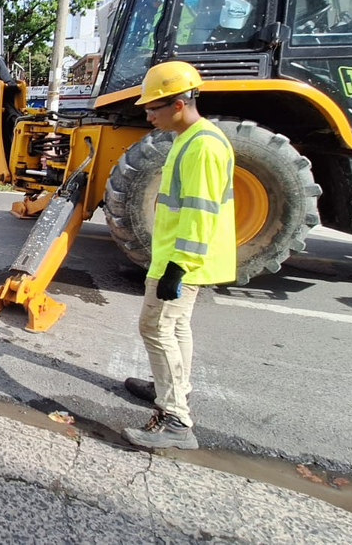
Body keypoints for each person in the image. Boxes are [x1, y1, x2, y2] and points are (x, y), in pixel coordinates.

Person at [121, 61, 236, 450]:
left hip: (181, 260)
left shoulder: (202, 146)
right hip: (185, 258)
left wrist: (177, 269)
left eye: (153, 107)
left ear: (179, 103)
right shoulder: (193, 138)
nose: (148, 114)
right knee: (177, 327)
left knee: (155, 328)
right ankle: (174, 385)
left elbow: (200, 214)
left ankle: (175, 420)